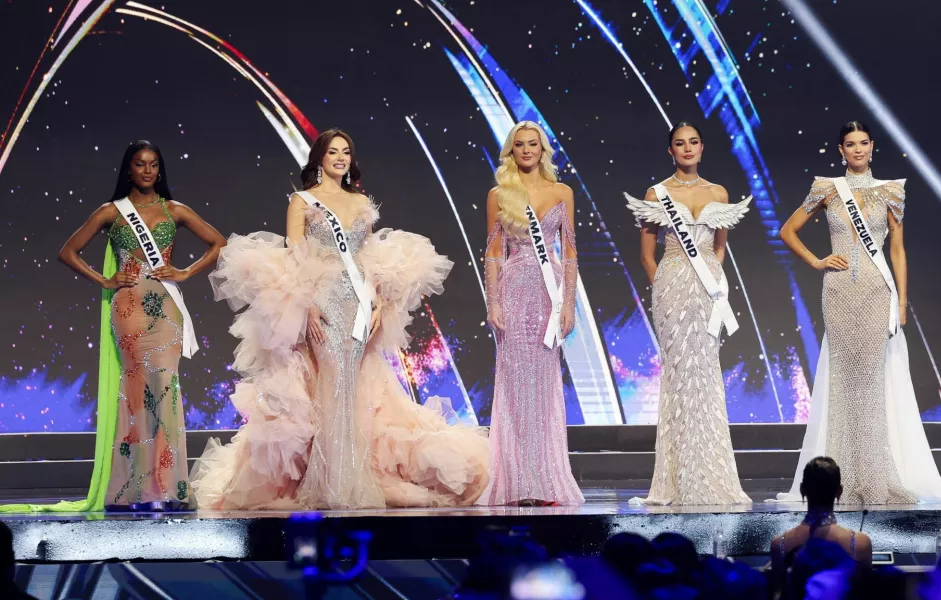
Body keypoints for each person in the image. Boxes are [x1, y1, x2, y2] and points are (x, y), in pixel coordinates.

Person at [191, 129, 489, 509]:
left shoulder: (360, 202)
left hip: (359, 303)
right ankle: (335, 482)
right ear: (319, 158)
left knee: (353, 385)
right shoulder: (301, 202)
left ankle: (353, 474)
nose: (340, 158)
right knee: (332, 383)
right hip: (323, 302)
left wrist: (379, 301)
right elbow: (294, 255)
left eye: (346, 152)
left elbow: (366, 257)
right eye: (333, 151)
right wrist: (307, 305)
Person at [777, 121, 941, 506]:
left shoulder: (890, 191)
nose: (858, 149)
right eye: (850, 144)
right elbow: (787, 230)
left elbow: (897, 248)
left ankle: (875, 472)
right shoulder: (827, 189)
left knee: (873, 381)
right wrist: (816, 260)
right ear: (840, 150)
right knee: (844, 380)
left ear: (872, 147)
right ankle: (840, 471)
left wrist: (902, 301)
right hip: (840, 291)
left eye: (863, 143)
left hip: (878, 292)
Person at [1, 140, 225, 513]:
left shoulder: (175, 210)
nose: (148, 170)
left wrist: (184, 272)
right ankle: (131, 488)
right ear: (129, 169)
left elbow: (217, 242)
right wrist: (104, 280)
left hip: (165, 311)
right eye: (140, 164)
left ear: (160, 170)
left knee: (165, 391)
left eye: (154, 164)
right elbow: (68, 251)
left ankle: (169, 486)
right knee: (136, 392)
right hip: (129, 311)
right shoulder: (112, 212)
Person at [625, 121, 752, 506]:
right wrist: (664, 284)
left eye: (693, 142)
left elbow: (718, 248)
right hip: (672, 288)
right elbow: (647, 255)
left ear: (702, 148)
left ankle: (710, 472)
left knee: (707, 373)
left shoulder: (718, 192)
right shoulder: (657, 193)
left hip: (709, 288)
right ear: (671, 151)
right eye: (679, 143)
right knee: (679, 375)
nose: (687, 148)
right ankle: (676, 478)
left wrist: (712, 282)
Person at [478, 121, 583, 506]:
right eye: (519, 144)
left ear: (543, 149)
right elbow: (492, 251)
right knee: (515, 384)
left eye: (532, 144)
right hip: (514, 290)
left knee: (544, 384)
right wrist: (493, 302)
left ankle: (544, 481)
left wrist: (569, 304)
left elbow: (570, 251)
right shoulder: (499, 194)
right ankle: (515, 481)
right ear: (511, 150)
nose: (526, 150)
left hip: (549, 294)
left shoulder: (562, 192)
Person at [771, 456, 872, 580]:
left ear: (802, 490)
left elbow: (779, 592)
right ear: (839, 491)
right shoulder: (860, 543)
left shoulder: (780, 544)